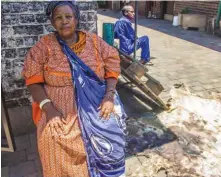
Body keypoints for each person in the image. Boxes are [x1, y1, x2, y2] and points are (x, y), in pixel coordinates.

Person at [22, 1, 127, 177]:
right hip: (58, 105)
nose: (64, 21)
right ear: (52, 23)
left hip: (95, 101)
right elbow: (32, 79)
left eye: (68, 16)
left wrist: (109, 97)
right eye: (58, 18)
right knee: (50, 137)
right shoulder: (44, 46)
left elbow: (113, 66)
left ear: (76, 19)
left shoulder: (94, 42)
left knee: (109, 129)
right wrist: (48, 108)